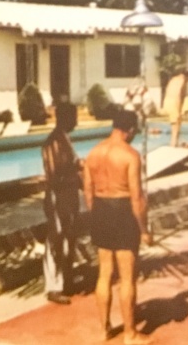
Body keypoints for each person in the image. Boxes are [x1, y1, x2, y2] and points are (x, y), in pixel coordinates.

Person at [83, 110, 152, 345]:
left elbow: (89, 194)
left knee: (104, 273)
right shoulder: (130, 156)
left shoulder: (93, 153)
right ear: (130, 129)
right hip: (122, 211)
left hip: (101, 210)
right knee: (127, 277)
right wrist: (144, 230)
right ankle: (130, 335)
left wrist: (98, 216)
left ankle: (104, 330)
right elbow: (137, 198)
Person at [41, 103, 81, 305]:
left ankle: (66, 280)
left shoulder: (64, 139)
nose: (77, 121)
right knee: (56, 239)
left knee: (69, 238)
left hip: (69, 196)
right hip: (58, 197)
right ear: (64, 118)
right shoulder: (52, 143)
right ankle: (53, 286)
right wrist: (78, 177)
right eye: (73, 117)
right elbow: (55, 176)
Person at [163, 69, 188, 147]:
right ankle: (173, 143)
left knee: (175, 122)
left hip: (167, 101)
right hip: (174, 102)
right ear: (187, 76)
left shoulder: (173, 79)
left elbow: (167, 90)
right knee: (176, 123)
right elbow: (178, 93)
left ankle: (174, 142)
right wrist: (179, 108)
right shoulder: (182, 80)